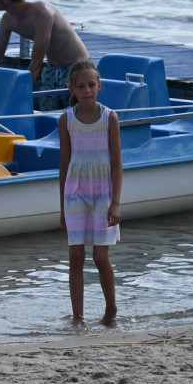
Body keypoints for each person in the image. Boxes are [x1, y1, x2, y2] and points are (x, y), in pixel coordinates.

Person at [58, 59, 122, 327]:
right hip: (75, 192)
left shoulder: (110, 117)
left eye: (91, 85)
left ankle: (110, 310)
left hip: (103, 193)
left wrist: (115, 204)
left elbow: (117, 163)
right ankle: (78, 317)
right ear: (71, 88)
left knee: (100, 257)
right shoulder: (66, 120)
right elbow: (64, 164)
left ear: (100, 87)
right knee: (75, 256)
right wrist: (62, 207)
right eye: (81, 86)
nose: (87, 90)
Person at [0, 0, 89, 110]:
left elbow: (36, 64)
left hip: (78, 67)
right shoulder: (7, 20)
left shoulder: (43, 14)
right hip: (52, 69)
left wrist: (18, 95)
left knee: (77, 116)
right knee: (48, 114)